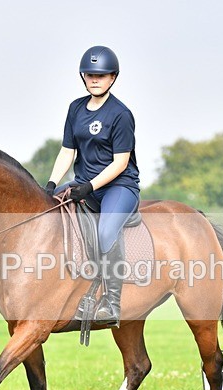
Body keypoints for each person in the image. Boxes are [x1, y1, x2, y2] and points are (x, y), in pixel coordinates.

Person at [45, 45, 140, 328]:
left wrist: (88, 187)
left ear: (113, 78)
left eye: (101, 75)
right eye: (89, 75)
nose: (94, 80)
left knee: (106, 231)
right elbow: (67, 151)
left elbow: (120, 163)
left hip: (118, 186)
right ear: (83, 77)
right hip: (84, 182)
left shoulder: (121, 114)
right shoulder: (75, 108)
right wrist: (50, 184)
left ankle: (111, 303)